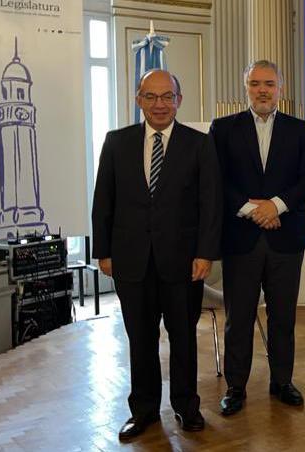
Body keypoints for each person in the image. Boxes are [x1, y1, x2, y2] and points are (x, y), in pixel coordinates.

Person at [91, 69, 221, 440]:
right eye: (151, 96)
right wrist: (103, 251)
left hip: (183, 262)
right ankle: (144, 410)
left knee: (183, 337)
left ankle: (186, 406)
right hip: (130, 260)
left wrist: (205, 253)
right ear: (138, 99)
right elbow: (104, 201)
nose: (160, 104)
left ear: (178, 100)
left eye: (167, 96)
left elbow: (209, 204)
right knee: (141, 339)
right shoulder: (117, 143)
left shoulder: (199, 144)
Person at [209, 60, 305, 416]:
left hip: (285, 239)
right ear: (246, 87)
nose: (262, 90)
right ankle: (236, 388)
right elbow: (215, 178)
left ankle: (282, 382)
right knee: (238, 318)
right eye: (256, 83)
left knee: (283, 316)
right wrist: (251, 209)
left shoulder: (301, 130)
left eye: (269, 84)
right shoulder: (223, 128)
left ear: (280, 89)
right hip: (240, 237)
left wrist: (275, 206)